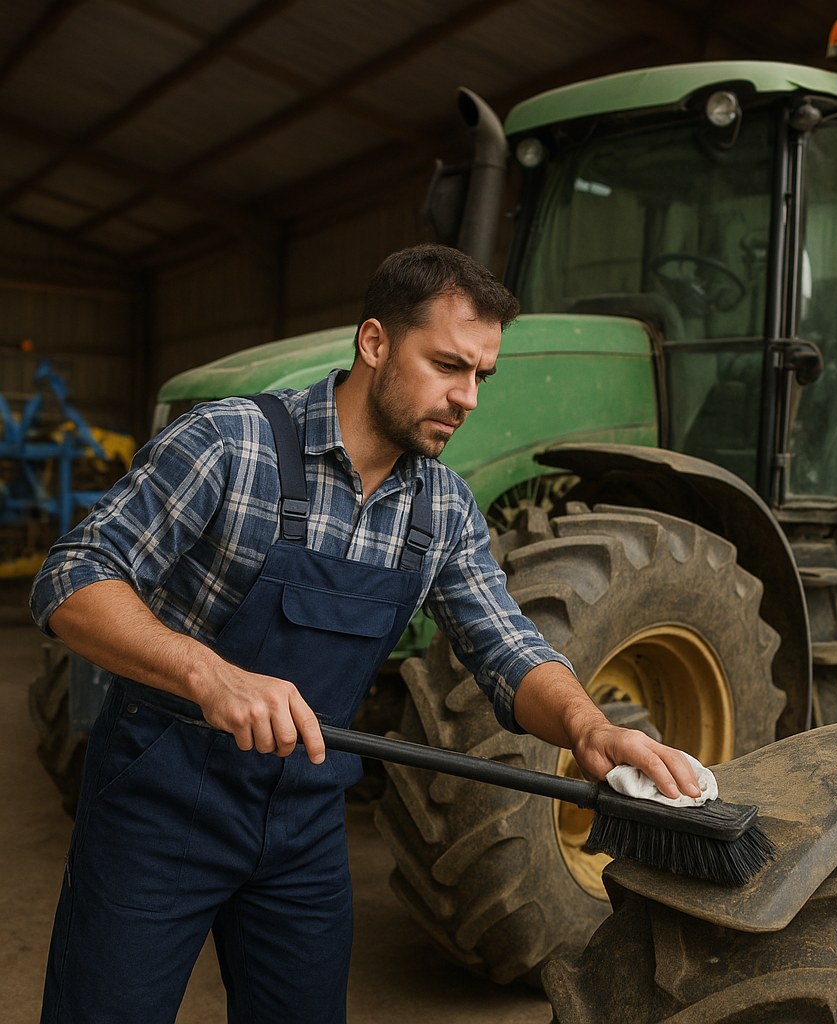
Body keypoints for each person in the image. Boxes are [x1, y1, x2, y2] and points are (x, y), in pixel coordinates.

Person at [30, 243, 700, 1024]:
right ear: (374, 342)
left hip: (302, 823)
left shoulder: (441, 508)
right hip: (161, 802)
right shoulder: (232, 445)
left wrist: (589, 726)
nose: (469, 398)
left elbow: (506, 646)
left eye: (483, 375)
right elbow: (72, 576)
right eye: (449, 365)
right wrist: (207, 673)